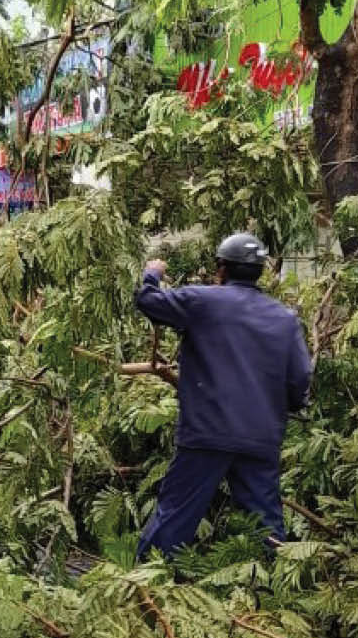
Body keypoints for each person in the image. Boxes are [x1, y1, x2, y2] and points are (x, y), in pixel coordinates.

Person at [134, 232, 313, 561]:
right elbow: (300, 381)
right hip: (261, 438)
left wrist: (152, 274)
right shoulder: (285, 319)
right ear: (261, 271)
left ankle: (146, 593)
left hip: (207, 433)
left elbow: (149, 302)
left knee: (175, 517)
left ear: (221, 268)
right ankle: (275, 599)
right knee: (266, 528)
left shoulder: (201, 301)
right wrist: (285, 406)